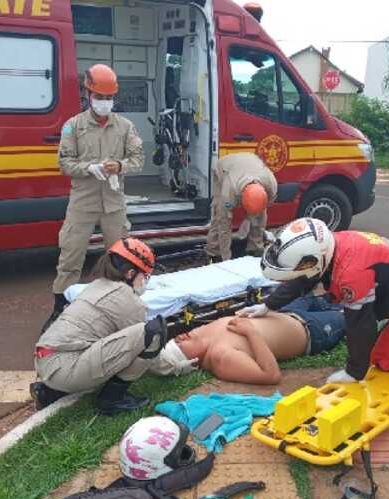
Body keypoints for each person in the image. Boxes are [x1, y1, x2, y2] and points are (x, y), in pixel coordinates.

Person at [239, 218, 389, 382]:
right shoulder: (331, 245)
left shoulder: (352, 274)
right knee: (380, 348)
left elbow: (361, 325)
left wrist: (354, 372)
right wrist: (269, 305)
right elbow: (303, 277)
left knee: (386, 359)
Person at [48, 64, 145, 326]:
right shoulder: (74, 126)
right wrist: (88, 168)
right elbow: (64, 163)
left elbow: (138, 159)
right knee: (70, 256)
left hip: (114, 203)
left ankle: (120, 309)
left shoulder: (124, 127)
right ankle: (61, 308)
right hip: (83, 202)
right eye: (99, 97)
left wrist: (121, 166)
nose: (104, 103)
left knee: (122, 258)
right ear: (88, 95)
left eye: (109, 98)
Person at [31, 238, 168, 414]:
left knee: (102, 341)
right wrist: (179, 366)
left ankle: (49, 392)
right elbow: (146, 351)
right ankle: (113, 399)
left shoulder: (96, 285)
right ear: (130, 273)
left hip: (45, 361)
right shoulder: (129, 301)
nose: (145, 281)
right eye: (145, 276)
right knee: (153, 331)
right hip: (66, 367)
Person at [151, 295, 346, 384]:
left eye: (173, 340)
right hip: (311, 331)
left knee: (327, 292)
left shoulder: (200, 335)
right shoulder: (221, 357)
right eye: (178, 347)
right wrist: (251, 333)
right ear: (190, 363)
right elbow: (271, 375)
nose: (178, 338)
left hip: (286, 312)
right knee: (357, 311)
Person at [206, 152, 278, 263]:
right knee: (219, 215)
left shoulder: (271, 184)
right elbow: (224, 225)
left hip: (250, 162)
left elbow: (265, 206)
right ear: (241, 199)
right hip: (224, 168)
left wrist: (249, 218)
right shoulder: (229, 192)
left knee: (259, 216)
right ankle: (214, 252)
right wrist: (226, 259)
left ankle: (255, 249)